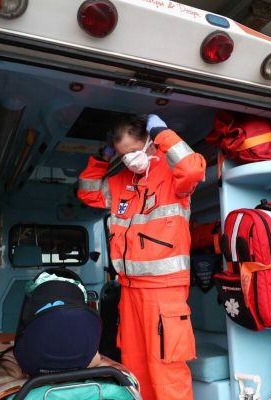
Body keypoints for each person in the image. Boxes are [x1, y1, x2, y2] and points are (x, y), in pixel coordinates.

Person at [77, 114, 206, 400]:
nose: (130, 159)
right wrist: (102, 158)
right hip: (130, 291)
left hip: (164, 292)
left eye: (134, 151)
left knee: (166, 371)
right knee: (134, 368)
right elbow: (88, 195)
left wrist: (162, 133)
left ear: (149, 143)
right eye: (122, 155)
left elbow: (193, 168)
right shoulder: (120, 181)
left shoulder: (173, 175)